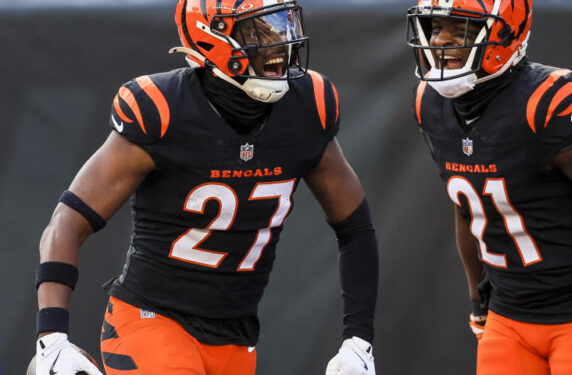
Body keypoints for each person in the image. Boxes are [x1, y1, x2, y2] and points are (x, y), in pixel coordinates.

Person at [32, 1, 378, 374]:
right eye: (260, 30)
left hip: (236, 337)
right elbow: (68, 220)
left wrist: (358, 341)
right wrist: (51, 336)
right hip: (151, 320)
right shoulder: (165, 111)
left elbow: (355, 228)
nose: (281, 41)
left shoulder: (308, 107)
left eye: (284, 24)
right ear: (212, 39)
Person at [406, 0, 572, 374]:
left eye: (459, 28)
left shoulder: (543, 102)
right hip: (508, 314)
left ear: (504, 33)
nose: (440, 41)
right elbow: (468, 205)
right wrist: (478, 299)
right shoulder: (429, 104)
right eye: (435, 27)